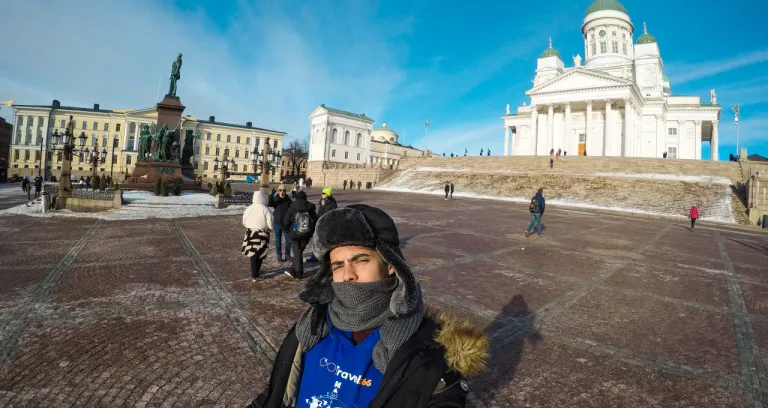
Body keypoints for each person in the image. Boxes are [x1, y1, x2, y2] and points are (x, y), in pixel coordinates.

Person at [246, 204, 488, 408]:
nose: (347, 275)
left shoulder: (429, 359)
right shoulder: (309, 328)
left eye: (360, 260)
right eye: (338, 265)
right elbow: (274, 395)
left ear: (391, 265)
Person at [282, 191, 317, 279]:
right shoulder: (310, 207)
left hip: (294, 234)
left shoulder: (292, 206)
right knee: (298, 252)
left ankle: (299, 273)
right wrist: (312, 231)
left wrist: (287, 230)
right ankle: (292, 270)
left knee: (297, 253)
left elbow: (286, 221)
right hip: (307, 234)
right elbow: (316, 220)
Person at [242, 192, 273, 282]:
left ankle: (255, 272)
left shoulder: (249, 208)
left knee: (253, 253)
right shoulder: (265, 209)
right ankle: (255, 274)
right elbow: (270, 223)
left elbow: (244, 221)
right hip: (262, 233)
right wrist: (270, 229)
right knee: (260, 253)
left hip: (250, 232)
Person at [269, 184, 293, 262]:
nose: (282, 192)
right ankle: (279, 255)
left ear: (285, 191)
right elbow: (270, 204)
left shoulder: (288, 200)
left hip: (286, 224)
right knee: (277, 240)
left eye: (283, 190)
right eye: (280, 190)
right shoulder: (276, 199)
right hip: (277, 223)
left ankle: (287, 255)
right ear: (278, 191)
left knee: (288, 240)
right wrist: (272, 194)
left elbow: (293, 210)